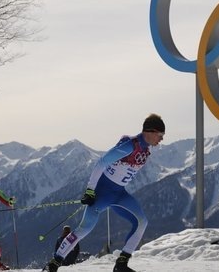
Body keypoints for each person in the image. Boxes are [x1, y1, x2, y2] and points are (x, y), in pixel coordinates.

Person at [46, 114, 165, 272]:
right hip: (102, 194)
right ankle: (54, 263)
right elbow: (102, 162)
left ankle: (121, 264)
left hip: (119, 194)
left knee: (142, 222)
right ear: (150, 131)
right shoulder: (130, 145)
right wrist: (90, 190)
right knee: (84, 228)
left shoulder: (145, 149)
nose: (162, 139)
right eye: (160, 134)